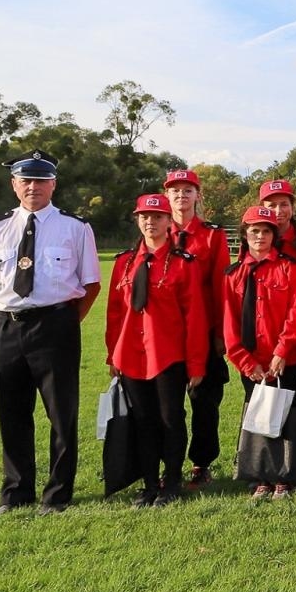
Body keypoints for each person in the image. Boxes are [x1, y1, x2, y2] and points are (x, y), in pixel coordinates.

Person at [0, 150, 101, 517]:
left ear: (53, 184)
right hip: (6, 328)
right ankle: (15, 493)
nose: (33, 187)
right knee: (10, 413)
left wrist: (65, 321)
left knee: (62, 414)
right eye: (25, 180)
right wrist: (13, 312)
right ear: (14, 184)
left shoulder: (76, 228)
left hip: (57, 326)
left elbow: (91, 285)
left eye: (41, 180)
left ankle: (57, 496)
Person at [105, 194, 209, 508]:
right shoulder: (124, 263)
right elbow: (114, 312)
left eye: (157, 217)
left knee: (171, 419)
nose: (150, 223)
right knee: (142, 420)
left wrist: (196, 364)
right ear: (138, 221)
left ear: (168, 222)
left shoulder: (182, 263)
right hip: (131, 355)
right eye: (144, 217)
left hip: (168, 355)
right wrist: (112, 353)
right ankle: (149, 482)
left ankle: (172, 480)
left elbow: (195, 317)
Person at [223, 206, 296, 499]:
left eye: (266, 231)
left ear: (274, 235)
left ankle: (286, 477)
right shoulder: (233, 275)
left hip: (285, 358)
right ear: (245, 234)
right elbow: (229, 324)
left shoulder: (289, 267)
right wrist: (246, 363)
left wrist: (281, 352)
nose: (260, 236)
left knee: (287, 418)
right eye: (254, 231)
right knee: (257, 416)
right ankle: (262, 476)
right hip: (252, 362)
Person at [162, 169, 232, 491]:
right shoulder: (155, 230)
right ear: (167, 196)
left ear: (197, 195)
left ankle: (201, 463)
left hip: (202, 332)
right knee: (167, 404)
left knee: (205, 403)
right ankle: (169, 463)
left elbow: (221, 287)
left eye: (187, 190)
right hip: (166, 334)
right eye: (175, 191)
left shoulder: (212, 236)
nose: (181, 196)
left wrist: (220, 333)